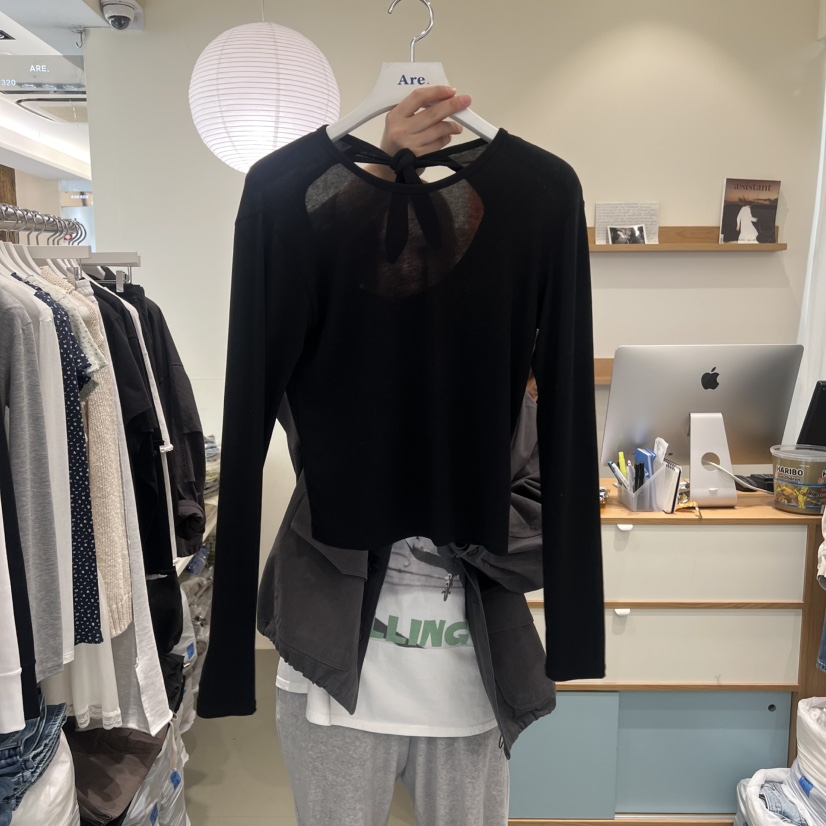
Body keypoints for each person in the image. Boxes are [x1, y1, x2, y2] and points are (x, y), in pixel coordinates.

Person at [258, 87, 555, 826]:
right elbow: (304, 268)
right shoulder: (326, 368)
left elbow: (547, 534)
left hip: (468, 690)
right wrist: (376, 169)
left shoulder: (509, 402)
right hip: (333, 678)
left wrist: (454, 504)